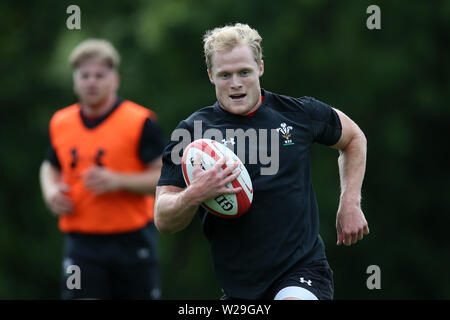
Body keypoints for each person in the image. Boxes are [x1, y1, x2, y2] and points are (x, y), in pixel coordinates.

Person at [154, 23, 369, 300]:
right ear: (210, 75)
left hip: (302, 270)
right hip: (239, 287)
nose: (235, 83)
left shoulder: (297, 114)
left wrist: (350, 202)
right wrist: (193, 195)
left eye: (244, 72)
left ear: (260, 68)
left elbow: (354, 138)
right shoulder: (191, 133)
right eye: (224, 75)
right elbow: (163, 217)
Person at [39, 39, 165, 299]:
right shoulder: (61, 122)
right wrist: (51, 191)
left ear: (115, 79)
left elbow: (164, 178)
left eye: (99, 75)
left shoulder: (140, 121)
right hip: (81, 243)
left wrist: (117, 180)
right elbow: (49, 166)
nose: (92, 82)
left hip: (131, 240)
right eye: (85, 75)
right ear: (75, 81)